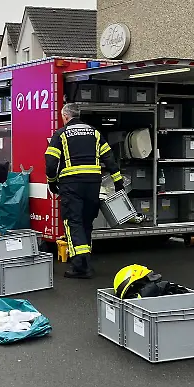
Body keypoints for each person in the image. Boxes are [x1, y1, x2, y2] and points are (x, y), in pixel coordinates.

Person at [45, 103, 124, 279]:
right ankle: (86, 262)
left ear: (65, 117)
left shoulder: (61, 134)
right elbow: (109, 158)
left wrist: (52, 182)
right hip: (92, 185)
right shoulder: (95, 133)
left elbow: (51, 162)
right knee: (86, 222)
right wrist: (118, 182)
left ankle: (80, 267)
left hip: (71, 185)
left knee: (74, 222)